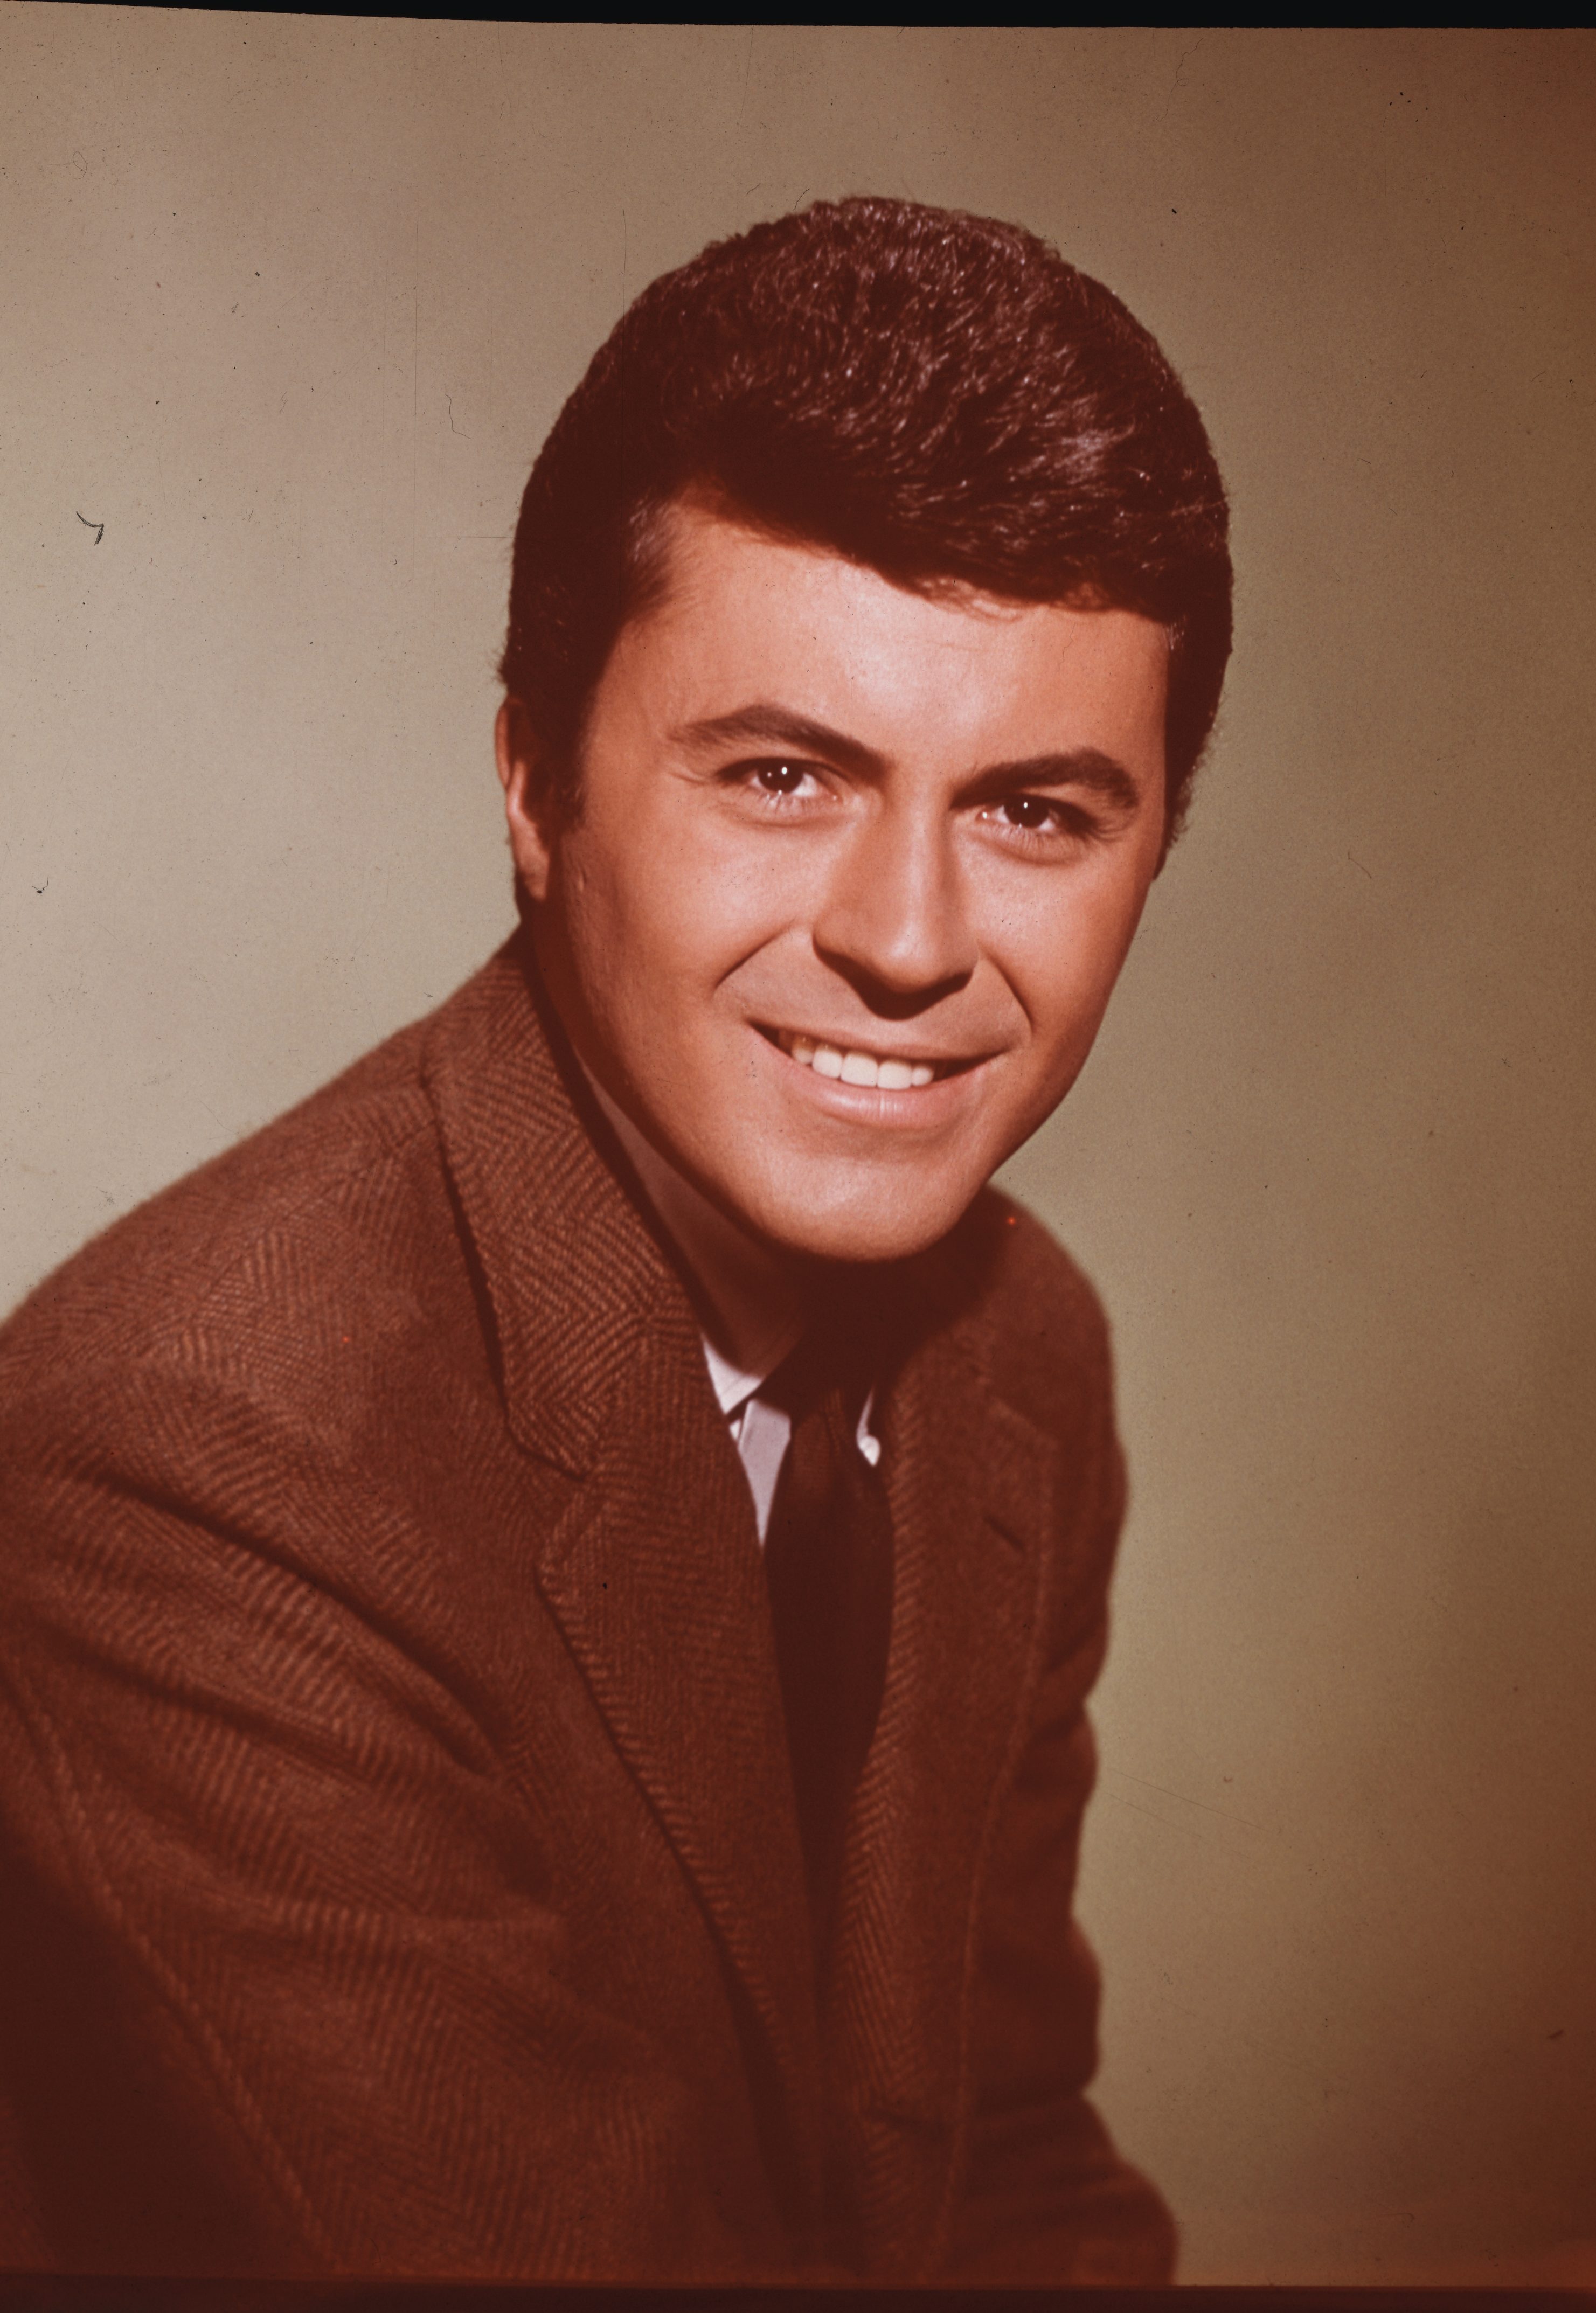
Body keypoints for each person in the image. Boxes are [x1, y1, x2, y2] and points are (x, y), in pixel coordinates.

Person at [0, 197, 1231, 2283]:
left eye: (1035, 810)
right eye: (781, 774)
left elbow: (1007, 2169)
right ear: (535, 789)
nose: (908, 943)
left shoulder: (1019, 1352)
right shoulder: (190, 1458)